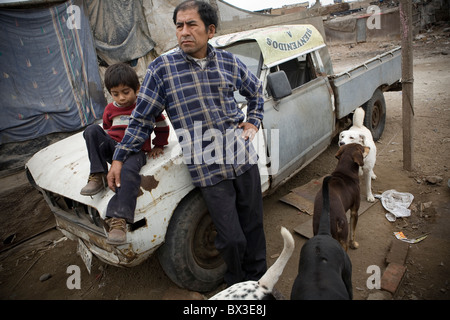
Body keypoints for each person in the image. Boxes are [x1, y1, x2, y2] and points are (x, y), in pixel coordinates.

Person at [107, 0, 267, 286]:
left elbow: (256, 92)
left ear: (210, 30)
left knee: (253, 227)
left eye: (191, 24)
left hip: (241, 157)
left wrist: (253, 121)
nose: (184, 32)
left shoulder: (229, 62)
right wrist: (119, 157)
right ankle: (237, 285)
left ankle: (258, 283)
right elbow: (141, 118)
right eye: (179, 26)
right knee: (230, 238)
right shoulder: (162, 69)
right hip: (207, 167)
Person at [81, 63, 170, 245]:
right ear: (110, 93)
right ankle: (97, 175)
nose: (121, 98)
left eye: (126, 92)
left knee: (128, 174)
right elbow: (106, 130)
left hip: (135, 152)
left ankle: (119, 220)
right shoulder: (109, 110)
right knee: (91, 131)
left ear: (137, 89)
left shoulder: (145, 106)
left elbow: (162, 125)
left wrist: (158, 145)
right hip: (114, 148)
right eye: (115, 94)